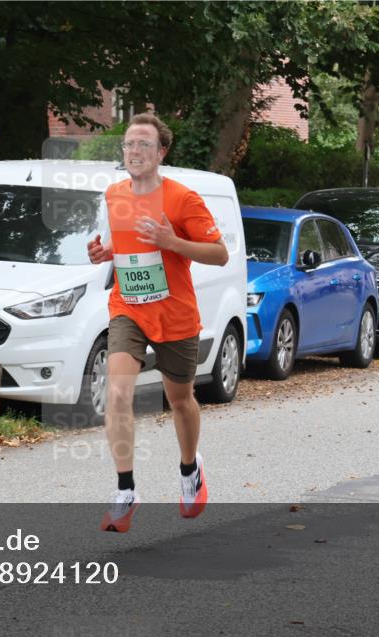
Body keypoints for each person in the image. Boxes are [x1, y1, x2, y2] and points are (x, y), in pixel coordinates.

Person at [86, 112, 228, 532]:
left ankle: (189, 469)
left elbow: (219, 253)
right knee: (117, 392)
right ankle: (126, 490)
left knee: (180, 399)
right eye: (129, 144)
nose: (135, 151)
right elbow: (124, 245)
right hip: (128, 307)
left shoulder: (183, 199)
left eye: (144, 144)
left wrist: (173, 242)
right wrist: (105, 253)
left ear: (161, 152)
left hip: (176, 312)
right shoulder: (114, 195)